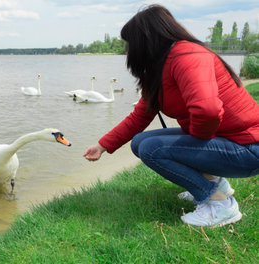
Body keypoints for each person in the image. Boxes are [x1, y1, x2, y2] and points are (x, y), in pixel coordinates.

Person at [83, 4, 259, 227]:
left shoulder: (188, 56)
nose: (128, 51)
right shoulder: (162, 66)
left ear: (146, 40)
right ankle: (216, 184)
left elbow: (208, 110)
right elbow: (139, 116)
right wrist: (102, 146)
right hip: (230, 142)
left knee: (151, 148)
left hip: (249, 147)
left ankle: (220, 205)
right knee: (140, 142)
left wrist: (196, 141)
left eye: (130, 44)